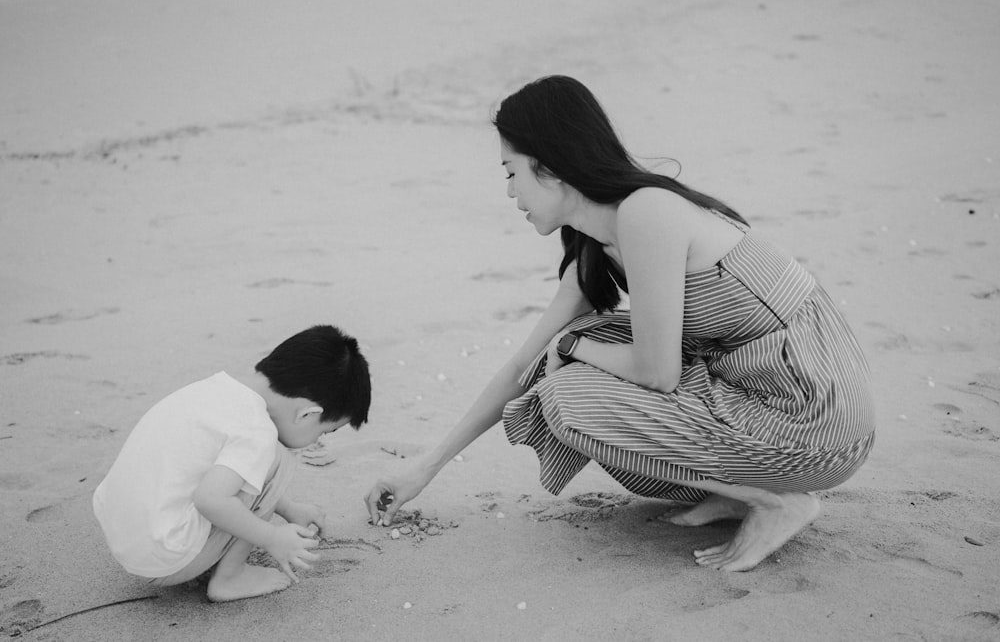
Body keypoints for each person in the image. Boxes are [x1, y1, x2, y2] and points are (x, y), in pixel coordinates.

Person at [365, 75, 875, 572]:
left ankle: (774, 500)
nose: (509, 191)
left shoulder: (647, 212)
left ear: (550, 167)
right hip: (752, 394)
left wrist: (572, 348)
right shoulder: (595, 246)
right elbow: (525, 364)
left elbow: (658, 374)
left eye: (510, 171)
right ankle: (739, 496)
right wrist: (423, 469)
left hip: (816, 417)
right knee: (563, 361)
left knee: (570, 392)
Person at [93, 324, 371, 601]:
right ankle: (231, 577)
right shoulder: (258, 431)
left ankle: (209, 555)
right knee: (278, 457)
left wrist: (289, 508)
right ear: (308, 414)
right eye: (323, 431)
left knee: (256, 460)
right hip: (165, 558)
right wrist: (272, 538)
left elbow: (220, 477)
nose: (315, 441)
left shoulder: (213, 390)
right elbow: (210, 500)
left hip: (127, 536)